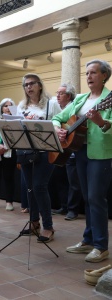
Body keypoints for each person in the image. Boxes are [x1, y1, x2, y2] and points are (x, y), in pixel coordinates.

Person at [53, 59, 112, 263]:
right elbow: (58, 118)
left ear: (104, 75)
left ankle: (101, 246)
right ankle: (88, 240)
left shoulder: (109, 99)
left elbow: (110, 127)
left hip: (101, 154)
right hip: (79, 152)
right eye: (87, 73)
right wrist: (59, 129)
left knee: (96, 198)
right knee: (87, 197)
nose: (88, 76)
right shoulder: (80, 99)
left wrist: (102, 122)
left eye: (93, 73)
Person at [16, 73, 61, 243]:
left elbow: (60, 121)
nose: (28, 87)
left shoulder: (52, 104)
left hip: (45, 151)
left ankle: (48, 227)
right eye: (26, 85)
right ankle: (34, 222)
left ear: (40, 85)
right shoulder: (21, 106)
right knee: (29, 188)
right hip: (26, 151)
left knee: (39, 187)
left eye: (32, 84)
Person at [50, 83, 82, 221]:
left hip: (73, 152)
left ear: (68, 96)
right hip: (63, 150)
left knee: (73, 183)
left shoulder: (75, 108)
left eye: (60, 93)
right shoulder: (61, 111)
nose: (57, 96)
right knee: (61, 180)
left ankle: (73, 210)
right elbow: (57, 121)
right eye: (57, 93)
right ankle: (64, 206)